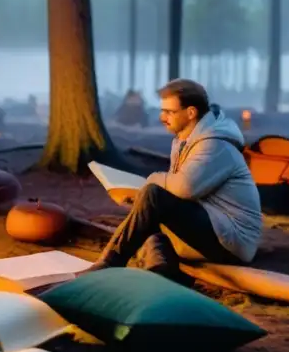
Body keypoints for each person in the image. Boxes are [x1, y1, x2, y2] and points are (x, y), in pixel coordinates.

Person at [85, 78, 263, 277]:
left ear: (191, 113)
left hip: (232, 242)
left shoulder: (215, 145)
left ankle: (109, 264)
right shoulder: (183, 141)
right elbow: (178, 193)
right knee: (146, 218)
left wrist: (151, 180)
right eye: (162, 111)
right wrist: (138, 198)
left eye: (169, 112)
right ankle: (161, 269)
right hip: (213, 226)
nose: (162, 117)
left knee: (153, 195)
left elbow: (184, 188)